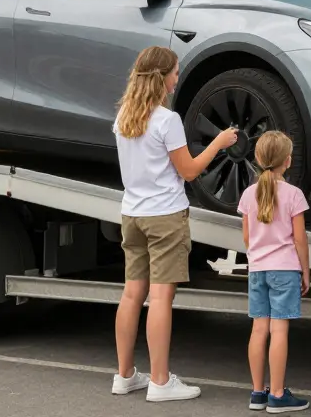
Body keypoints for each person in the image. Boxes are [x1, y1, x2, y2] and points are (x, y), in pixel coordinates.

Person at [110, 45, 238, 402]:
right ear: (161, 77)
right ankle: (161, 382)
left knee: (132, 294)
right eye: (175, 72)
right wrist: (220, 142)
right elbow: (190, 171)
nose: (178, 77)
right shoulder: (167, 120)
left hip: (132, 214)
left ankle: (124, 376)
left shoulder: (124, 117)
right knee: (161, 298)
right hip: (165, 216)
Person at [238, 131, 311, 413]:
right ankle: (278, 395)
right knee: (279, 330)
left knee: (259, 330)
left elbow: (246, 237)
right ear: (288, 161)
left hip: (258, 269)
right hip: (284, 269)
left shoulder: (248, 194)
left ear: (257, 159)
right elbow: (300, 239)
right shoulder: (294, 195)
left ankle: (257, 392)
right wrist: (305, 271)